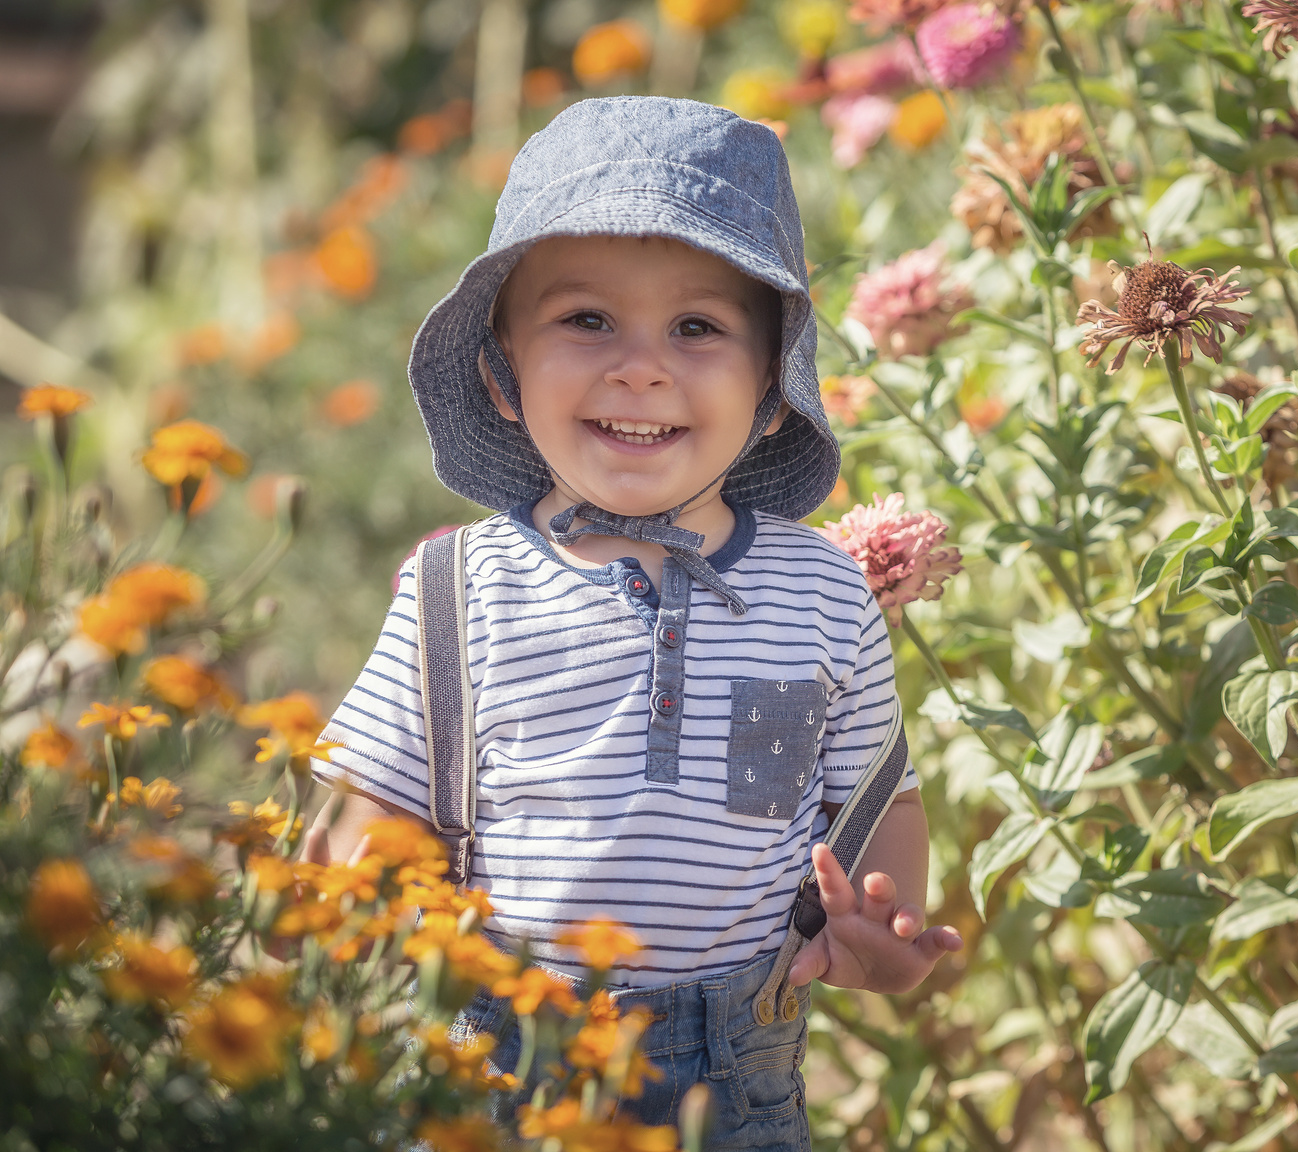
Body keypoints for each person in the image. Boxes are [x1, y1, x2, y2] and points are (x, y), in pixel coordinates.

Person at [299, 96, 962, 1149]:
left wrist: (878, 928)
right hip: (500, 1063)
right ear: (503, 376)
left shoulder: (822, 594)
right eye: (586, 320)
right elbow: (375, 803)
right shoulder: (459, 588)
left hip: (737, 1076)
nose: (639, 366)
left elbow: (876, 805)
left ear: (774, 392)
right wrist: (377, 899)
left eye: (697, 328)